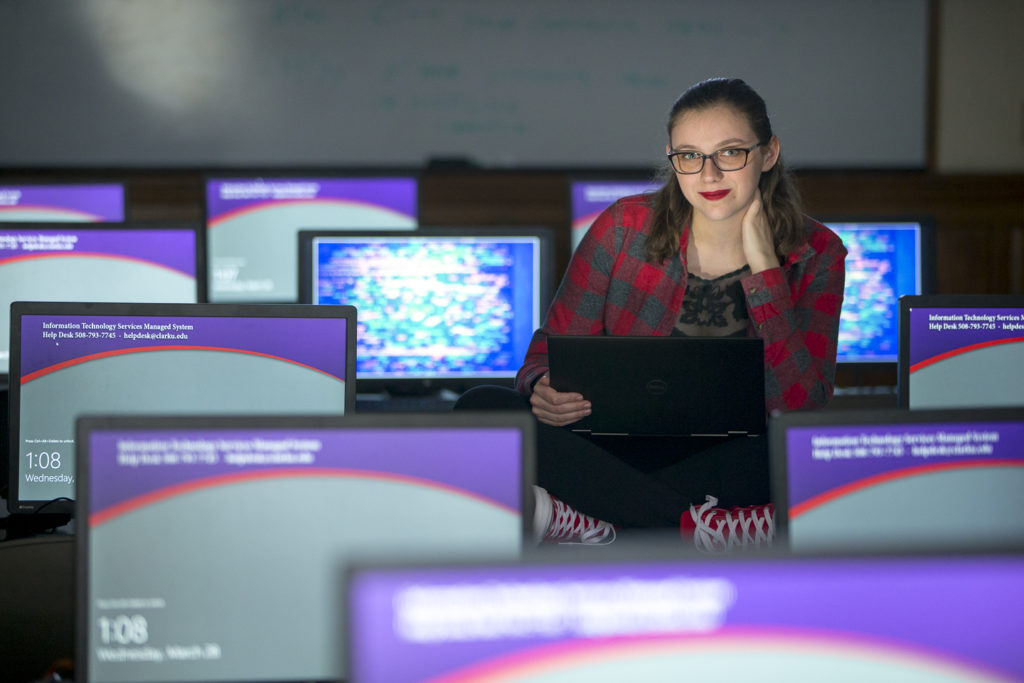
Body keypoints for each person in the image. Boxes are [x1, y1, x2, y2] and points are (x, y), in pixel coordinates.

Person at [456, 77, 847, 550]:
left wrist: (766, 273)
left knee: (802, 453)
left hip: (731, 456)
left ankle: (595, 523)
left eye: (729, 153)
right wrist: (542, 387)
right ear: (673, 159)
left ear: (767, 154)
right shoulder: (623, 227)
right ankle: (700, 526)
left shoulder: (819, 251)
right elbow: (543, 355)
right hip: (612, 446)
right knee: (481, 406)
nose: (708, 175)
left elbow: (803, 407)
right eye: (689, 155)